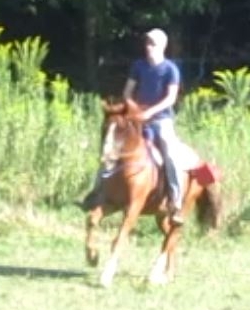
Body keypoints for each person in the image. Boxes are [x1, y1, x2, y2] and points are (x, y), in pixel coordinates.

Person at [80, 28, 186, 225]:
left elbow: (170, 98)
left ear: (163, 46)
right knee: (112, 146)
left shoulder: (170, 69)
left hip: (161, 120)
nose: (148, 47)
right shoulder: (138, 66)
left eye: (152, 43)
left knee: (170, 152)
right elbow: (128, 92)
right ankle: (97, 192)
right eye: (147, 43)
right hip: (137, 118)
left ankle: (175, 201)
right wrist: (133, 109)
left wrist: (150, 112)